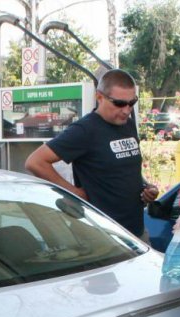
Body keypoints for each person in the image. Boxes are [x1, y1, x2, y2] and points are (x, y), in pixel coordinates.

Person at [25, 69, 159, 240]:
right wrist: (75, 193)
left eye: (131, 102)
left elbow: (124, 168)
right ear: (99, 97)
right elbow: (35, 161)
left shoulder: (128, 125)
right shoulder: (85, 130)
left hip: (136, 232)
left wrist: (146, 188)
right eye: (119, 103)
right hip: (102, 235)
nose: (126, 110)